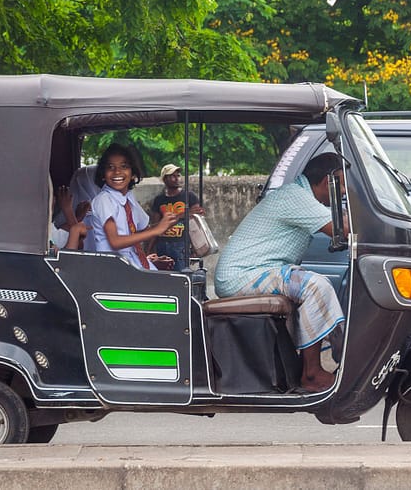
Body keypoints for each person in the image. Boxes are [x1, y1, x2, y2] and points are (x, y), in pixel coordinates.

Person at [214, 152, 348, 393]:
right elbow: (344, 229)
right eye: (342, 184)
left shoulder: (299, 195)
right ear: (328, 180)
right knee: (314, 285)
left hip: (258, 271)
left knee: (314, 282)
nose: (344, 193)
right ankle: (312, 373)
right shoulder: (296, 197)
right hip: (242, 275)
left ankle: (332, 357)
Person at [91, 143, 177, 270]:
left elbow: (141, 231)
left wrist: (164, 224)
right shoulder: (104, 199)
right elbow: (115, 242)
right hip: (113, 268)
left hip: (132, 263)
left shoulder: (128, 198)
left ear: (133, 174)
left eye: (124, 166)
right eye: (111, 167)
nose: (117, 172)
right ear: (103, 174)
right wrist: (157, 230)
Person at [149, 164, 205, 272]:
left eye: (178, 175)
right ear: (165, 179)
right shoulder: (159, 200)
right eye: (172, 176)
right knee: (163, 278)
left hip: (181, 245)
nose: (177, 178)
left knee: (181, 277)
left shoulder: (189, 196)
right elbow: (155, 226)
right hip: (162, 244)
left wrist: (196, 249)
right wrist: (149, 249)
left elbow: (197, 224)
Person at [50, 185, 87, 250]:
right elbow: (77, 246)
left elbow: (63, 233)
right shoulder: (38, 229)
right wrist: (67, 210)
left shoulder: (49, 227)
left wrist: (77, 218)